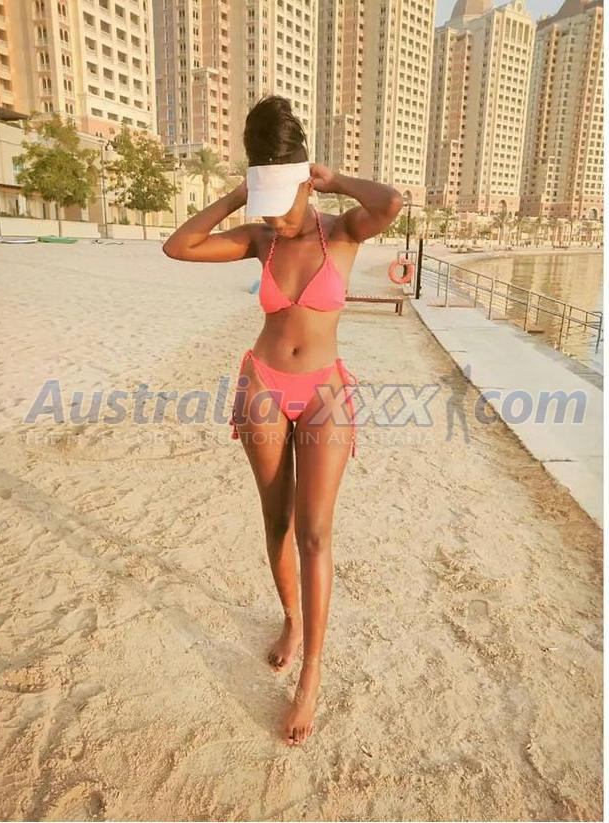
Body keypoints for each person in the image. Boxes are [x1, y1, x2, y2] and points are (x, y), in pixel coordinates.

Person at [163, 95, 403, 745]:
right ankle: (291, 620)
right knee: (277, 521)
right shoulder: (258, 239)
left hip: (325, 391)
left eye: (282, 195)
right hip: (264, 385)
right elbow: (178, 246)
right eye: (264, 198)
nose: (274, 212)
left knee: (316, 533)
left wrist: (333, 178)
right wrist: (239, 193)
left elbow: (391, 202)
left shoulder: (344, 231)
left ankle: (311, 674)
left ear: (304, 180)